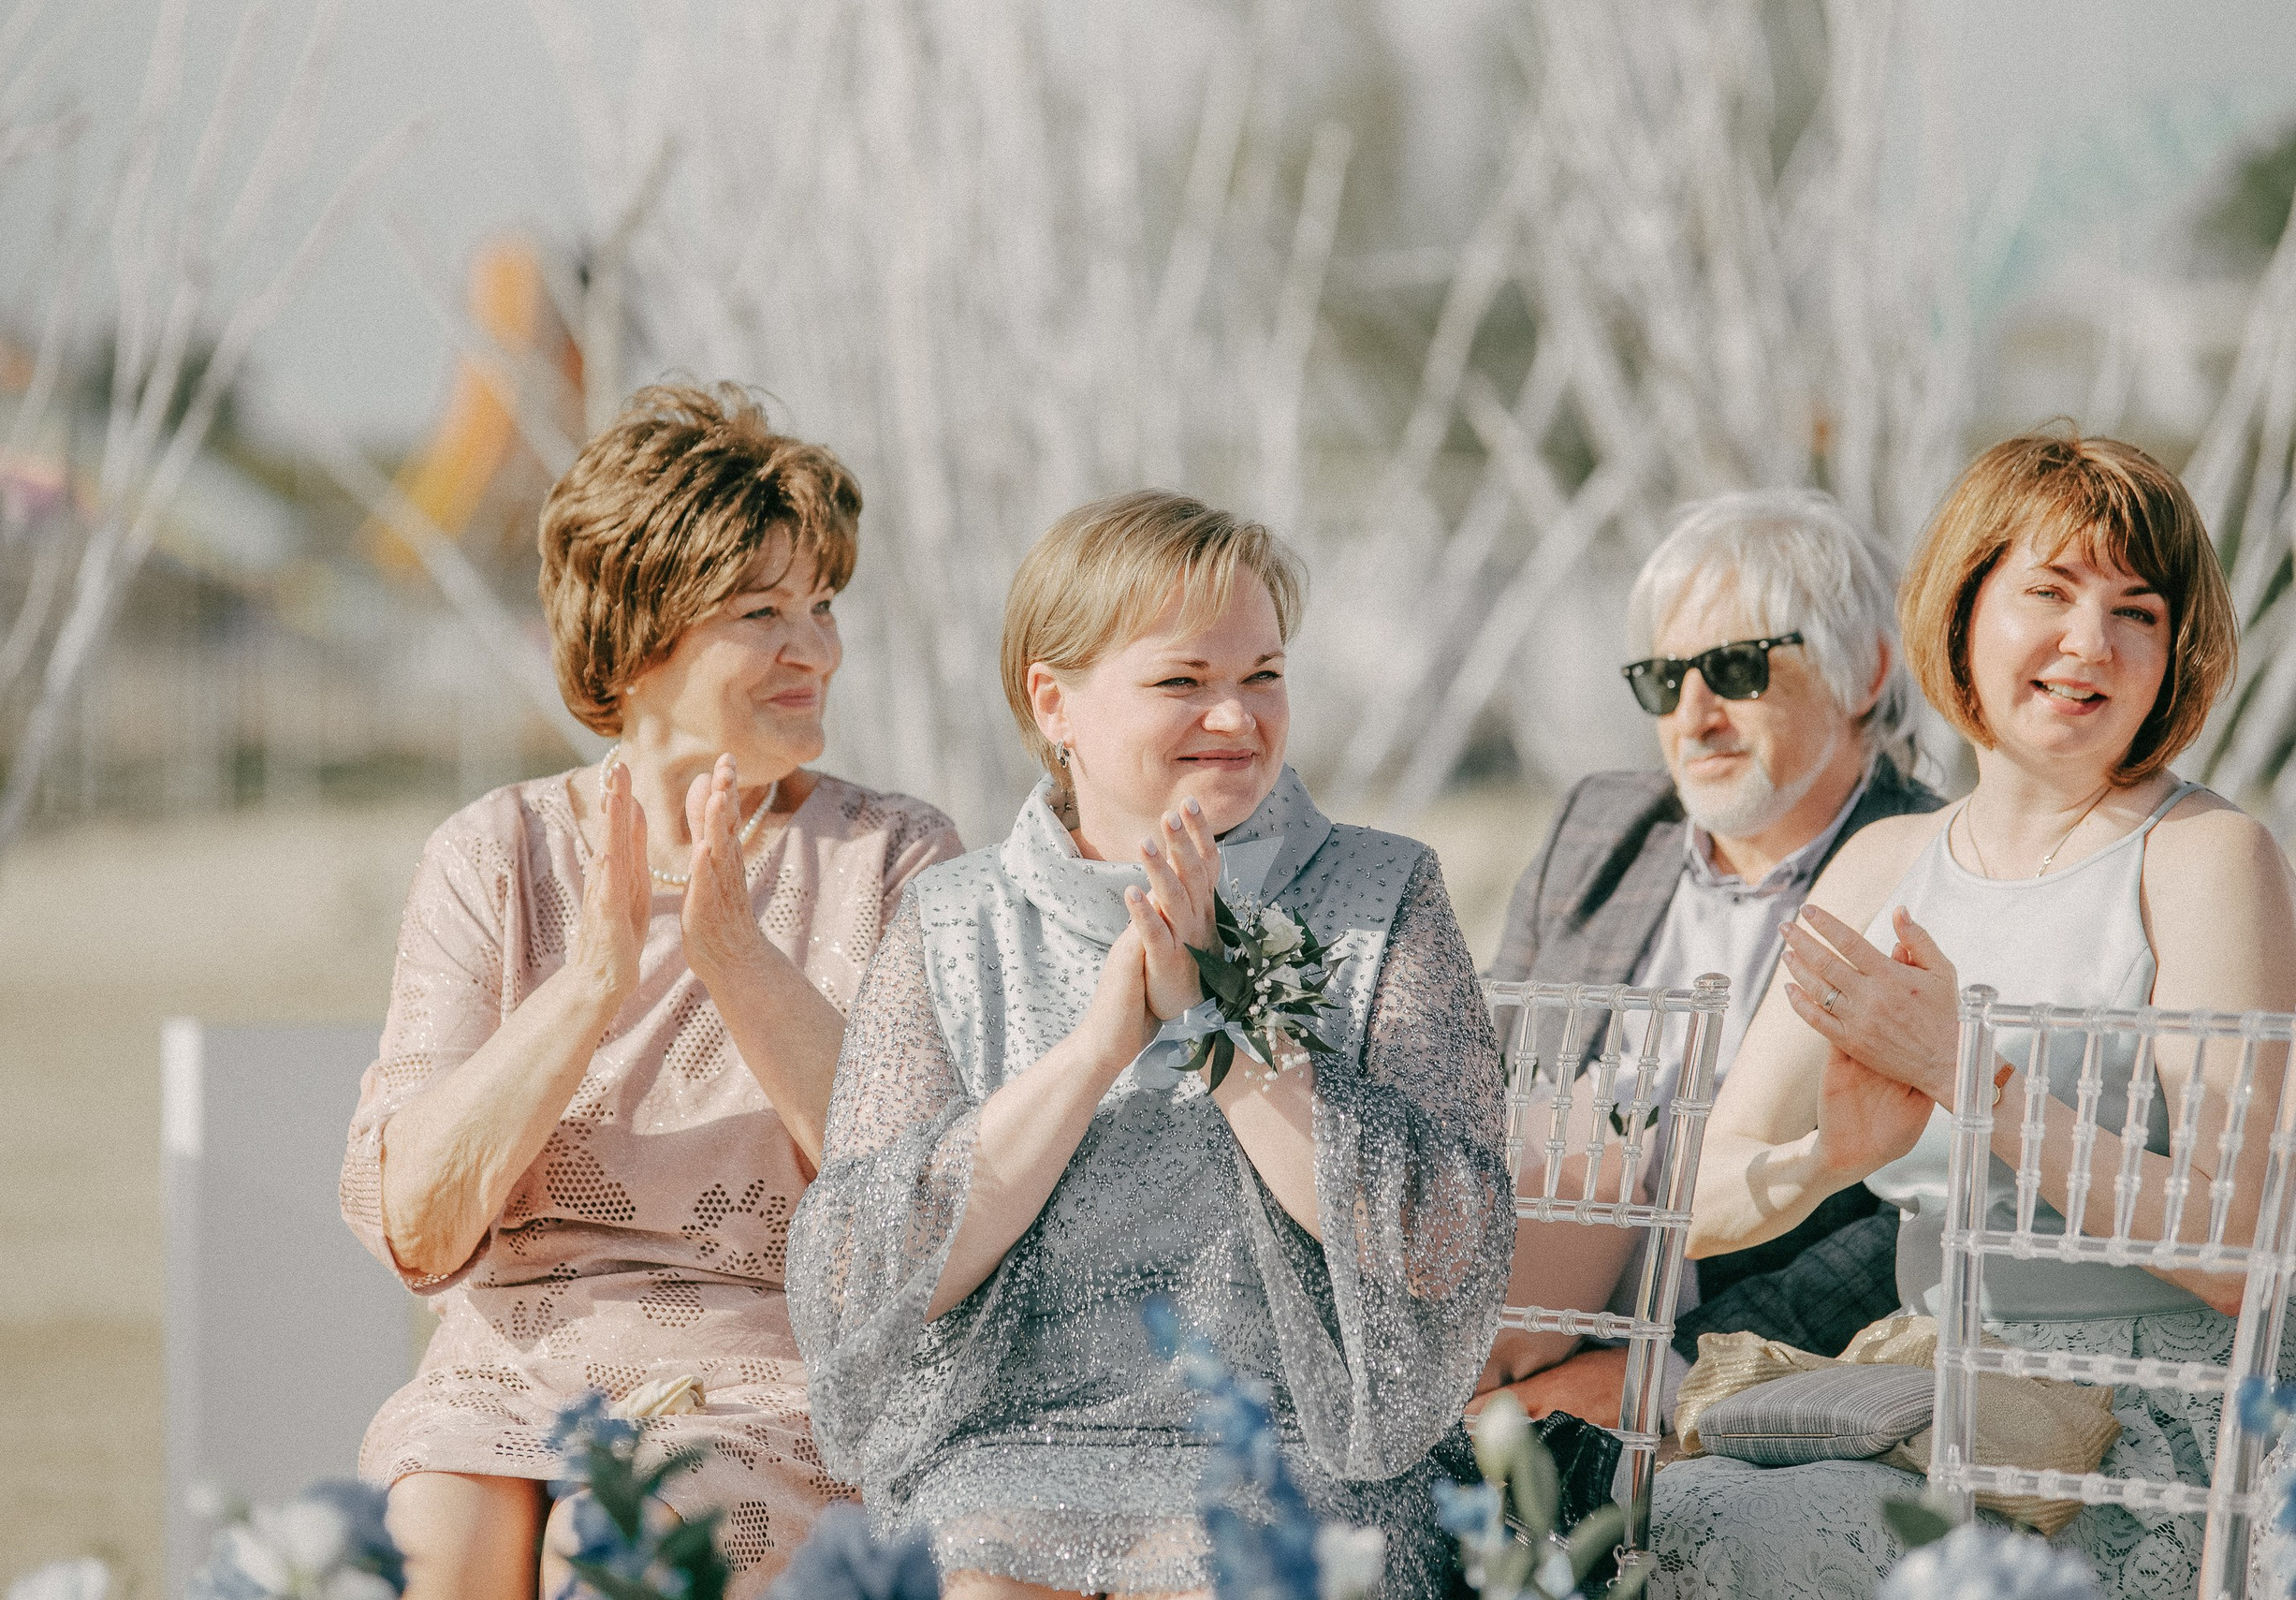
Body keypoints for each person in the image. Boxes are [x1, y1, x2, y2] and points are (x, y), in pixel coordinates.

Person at [785, 491, 1515, 1597]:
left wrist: (1233, 1022)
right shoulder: (952, 918)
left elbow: (1443, 1242)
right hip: (1003, 1447)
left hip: (1297, 1455)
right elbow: (860, 1276)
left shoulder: (1381, 891)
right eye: (1184, 681)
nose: (1236, 717)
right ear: (1055, 700)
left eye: (1263, 674)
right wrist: (1094, 1047)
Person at [338, 384, 962, 1600]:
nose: (816, 649)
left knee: (615, 1546)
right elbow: (416, 1224)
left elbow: (917, 1208)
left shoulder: (892, 856)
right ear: (636, 636)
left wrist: (737, 955)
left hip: (765, 1384)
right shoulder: (494, 854)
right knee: (438, 1548)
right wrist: (588, 987)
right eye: (761, 611)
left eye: (823, 605)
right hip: (501, 1380)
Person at [1653, 430, 2296, 1598]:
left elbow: (2238, 1250)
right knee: (1672, 1506)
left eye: (2136, 610)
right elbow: (1692, 1200)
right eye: (2047, 592)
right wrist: (1828, 1155)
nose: (2088, 643)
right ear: (1961, 610)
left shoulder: (2207, 856)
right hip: (1924, 1387)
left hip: (2143, 1424)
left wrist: (1973, 1075)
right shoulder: (1880, 862)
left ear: (2173, 647)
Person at [1482, 491, 1943, 1418]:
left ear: (1865, 674)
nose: (1693, 715)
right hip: (1506, 1339)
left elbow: (1913, 1219)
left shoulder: (1939, 870)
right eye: (1662, 678)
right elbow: (1479, 1090)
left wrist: (1664, 1371)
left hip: (1745, 1373)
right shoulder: (1598, 829)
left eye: (1734, 667)